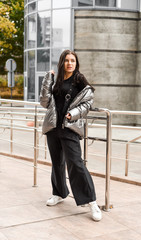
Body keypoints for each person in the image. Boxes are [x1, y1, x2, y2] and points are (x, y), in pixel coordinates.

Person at [40, 50, 102, 221]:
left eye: (72, 60)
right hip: (53, 128)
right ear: (62, 62)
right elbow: (44, 102)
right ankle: (59, 193)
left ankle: (91, 201)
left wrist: (73, 113)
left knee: (76, 164)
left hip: (70, 129)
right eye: (66, 60)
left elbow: (88, 102)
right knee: (57, 164)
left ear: (76, 63)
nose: (69, 63)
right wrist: (47, 79)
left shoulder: (79, 80)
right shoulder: (56, 81)